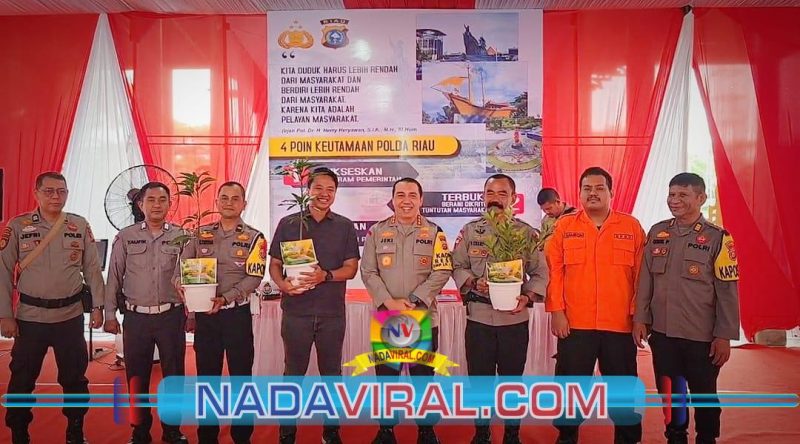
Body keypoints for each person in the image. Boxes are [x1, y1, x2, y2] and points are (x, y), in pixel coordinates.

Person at [633, 173, 740, 444]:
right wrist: (640, 318)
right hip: (663, 334)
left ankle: (707, 438)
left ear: (701, 198)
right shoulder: (658, 232)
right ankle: (676, 437)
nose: (674, 200)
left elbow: (727, 291)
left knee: (704, 394)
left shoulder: (718, 238)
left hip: (701, 336)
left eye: (683, 195)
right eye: (671, 194)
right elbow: (645, 280)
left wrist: (724, 335)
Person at [0, 172, 105, 444]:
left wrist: (98, 307)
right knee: (22, 378)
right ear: (36, 193)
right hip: (30, 318)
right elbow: (3, 271)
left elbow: (92, 269)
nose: (56, 196)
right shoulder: (18, 226)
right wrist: (5, 315)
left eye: (61, 191)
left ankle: (75, 430)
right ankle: (19, 432)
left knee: (74, 378)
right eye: (49, 191)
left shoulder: (79, 224)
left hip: (69, 317)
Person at [545, 167, 646, 444]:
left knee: (622, 391)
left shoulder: (631, 227)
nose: (593, 193)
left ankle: (627, 439)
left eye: (600, 188)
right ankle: (566, 437)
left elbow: (642, 277)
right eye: (587, 188)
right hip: (575, 324)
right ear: (579, 193)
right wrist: (557, 312)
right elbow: (554, 272)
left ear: (611, 193)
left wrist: (639, 317)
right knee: (571, 390)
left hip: (620, 324)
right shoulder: (565, 227)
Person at [452, 174, 548, 444]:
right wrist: (473, 282)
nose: (495, 198)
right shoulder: (470, 231)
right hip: (479, 319)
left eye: (502, 193)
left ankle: (511, 434)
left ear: (513, 198)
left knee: (512, 382)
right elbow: (457, 265)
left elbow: (540, 272)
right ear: (483, 197)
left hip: (513, 320)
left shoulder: (526, 233)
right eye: (490, 193)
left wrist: (527, 296)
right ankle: (481, 433)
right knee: (479, 381)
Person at [268, 167, 360, 444]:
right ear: (308, 190)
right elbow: (275, 264)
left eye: (330, 189)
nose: (324, 194)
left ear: (336, 193)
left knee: (331, 375)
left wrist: (325, 276)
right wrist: (282, 284)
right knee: (292, 374)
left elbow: (351, 269)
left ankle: (331, 432)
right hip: (296, 312)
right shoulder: (289, 223)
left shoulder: (344, 226)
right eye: (318, 188)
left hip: (332, 314)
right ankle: (287, 433)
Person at [361, 178, 453, 444]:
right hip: (387, 317)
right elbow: (368, 271)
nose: (406, 200)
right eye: (400, 195)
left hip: (422, 317)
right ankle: (386, 430)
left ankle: (426, 430)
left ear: (421, 200)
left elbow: (442, 270)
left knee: (423, 377)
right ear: (392, 200)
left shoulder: (435, 232)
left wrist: (415, 299)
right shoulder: (377, 231)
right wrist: (389, 302)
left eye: (412, 195)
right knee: (386, 378)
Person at [176, 181, 266, 444]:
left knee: (241, 378)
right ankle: (207, 436)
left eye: (235, 198)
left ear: (244, 204)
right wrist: (181, 284)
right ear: (217, 202)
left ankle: (242, 436)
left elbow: (255, 277)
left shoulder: (255, 238)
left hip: (236, 315)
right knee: (207, 379)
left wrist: (227, 297)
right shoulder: (198, 234)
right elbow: (182, 268)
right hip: (207, 318)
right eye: (224, 197)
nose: (229, 202)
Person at [104, 182, 188, 444]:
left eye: (162, 200)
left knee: (174, 376)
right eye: (151, 200)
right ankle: (140, 432)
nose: (156, 205)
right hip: (136, 318)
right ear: (140, 205)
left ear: (170, 204)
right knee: (136, 377)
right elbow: (114, 276)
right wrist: (109, 314)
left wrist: (194, 313)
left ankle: (172, 431)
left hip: (171, 316)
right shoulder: (125, 237)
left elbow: (190, 277)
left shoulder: (182, 236)